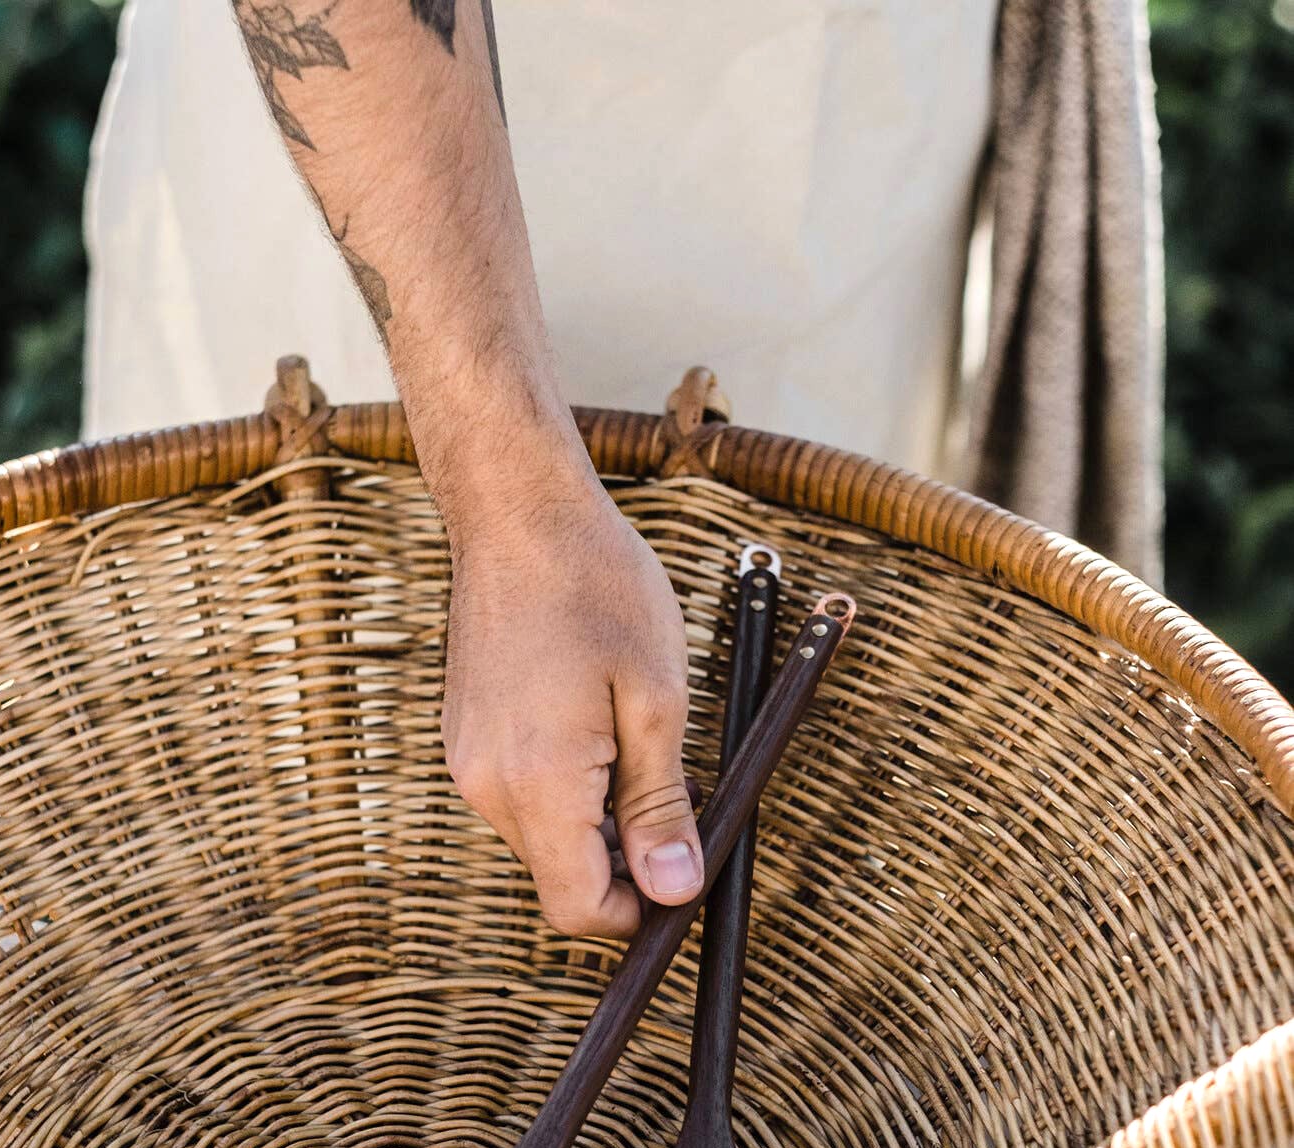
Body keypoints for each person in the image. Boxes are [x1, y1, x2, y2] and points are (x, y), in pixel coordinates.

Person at [83, 0, 1162, 938]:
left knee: (790, 875)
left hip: (850, 127)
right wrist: (515, 503)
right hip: (404, 152)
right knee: (295, 849)